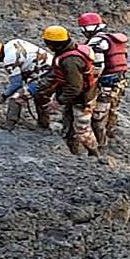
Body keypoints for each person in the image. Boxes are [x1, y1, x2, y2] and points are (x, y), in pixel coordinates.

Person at [27, 26, 102, 159]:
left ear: (53, 44)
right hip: (76, 96)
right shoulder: (68, 50)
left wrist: (58, 102)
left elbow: (74, 87)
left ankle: (95, 155)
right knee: (68, 122)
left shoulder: (70, 61)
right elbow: (58, 74)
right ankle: (72, 149)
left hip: (82, 99)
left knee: (82, 130)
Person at [77, 12, 130, 147]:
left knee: (98, 116)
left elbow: (98, 67)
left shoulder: (97, 42)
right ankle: (110, 132)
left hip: (106, 84)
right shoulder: (113, 39)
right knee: (112, 109)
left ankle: (101, 144)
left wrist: (88, 83)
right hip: (120, 81)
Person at [0, 39, 53, 129]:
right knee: (40, 97)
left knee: (16, 98)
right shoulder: (13, 42)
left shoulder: (10, 60)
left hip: (46, 75)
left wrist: (4, 96)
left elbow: (16, 84)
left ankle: (9, 125)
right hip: (53, 67)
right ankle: (44, 125)